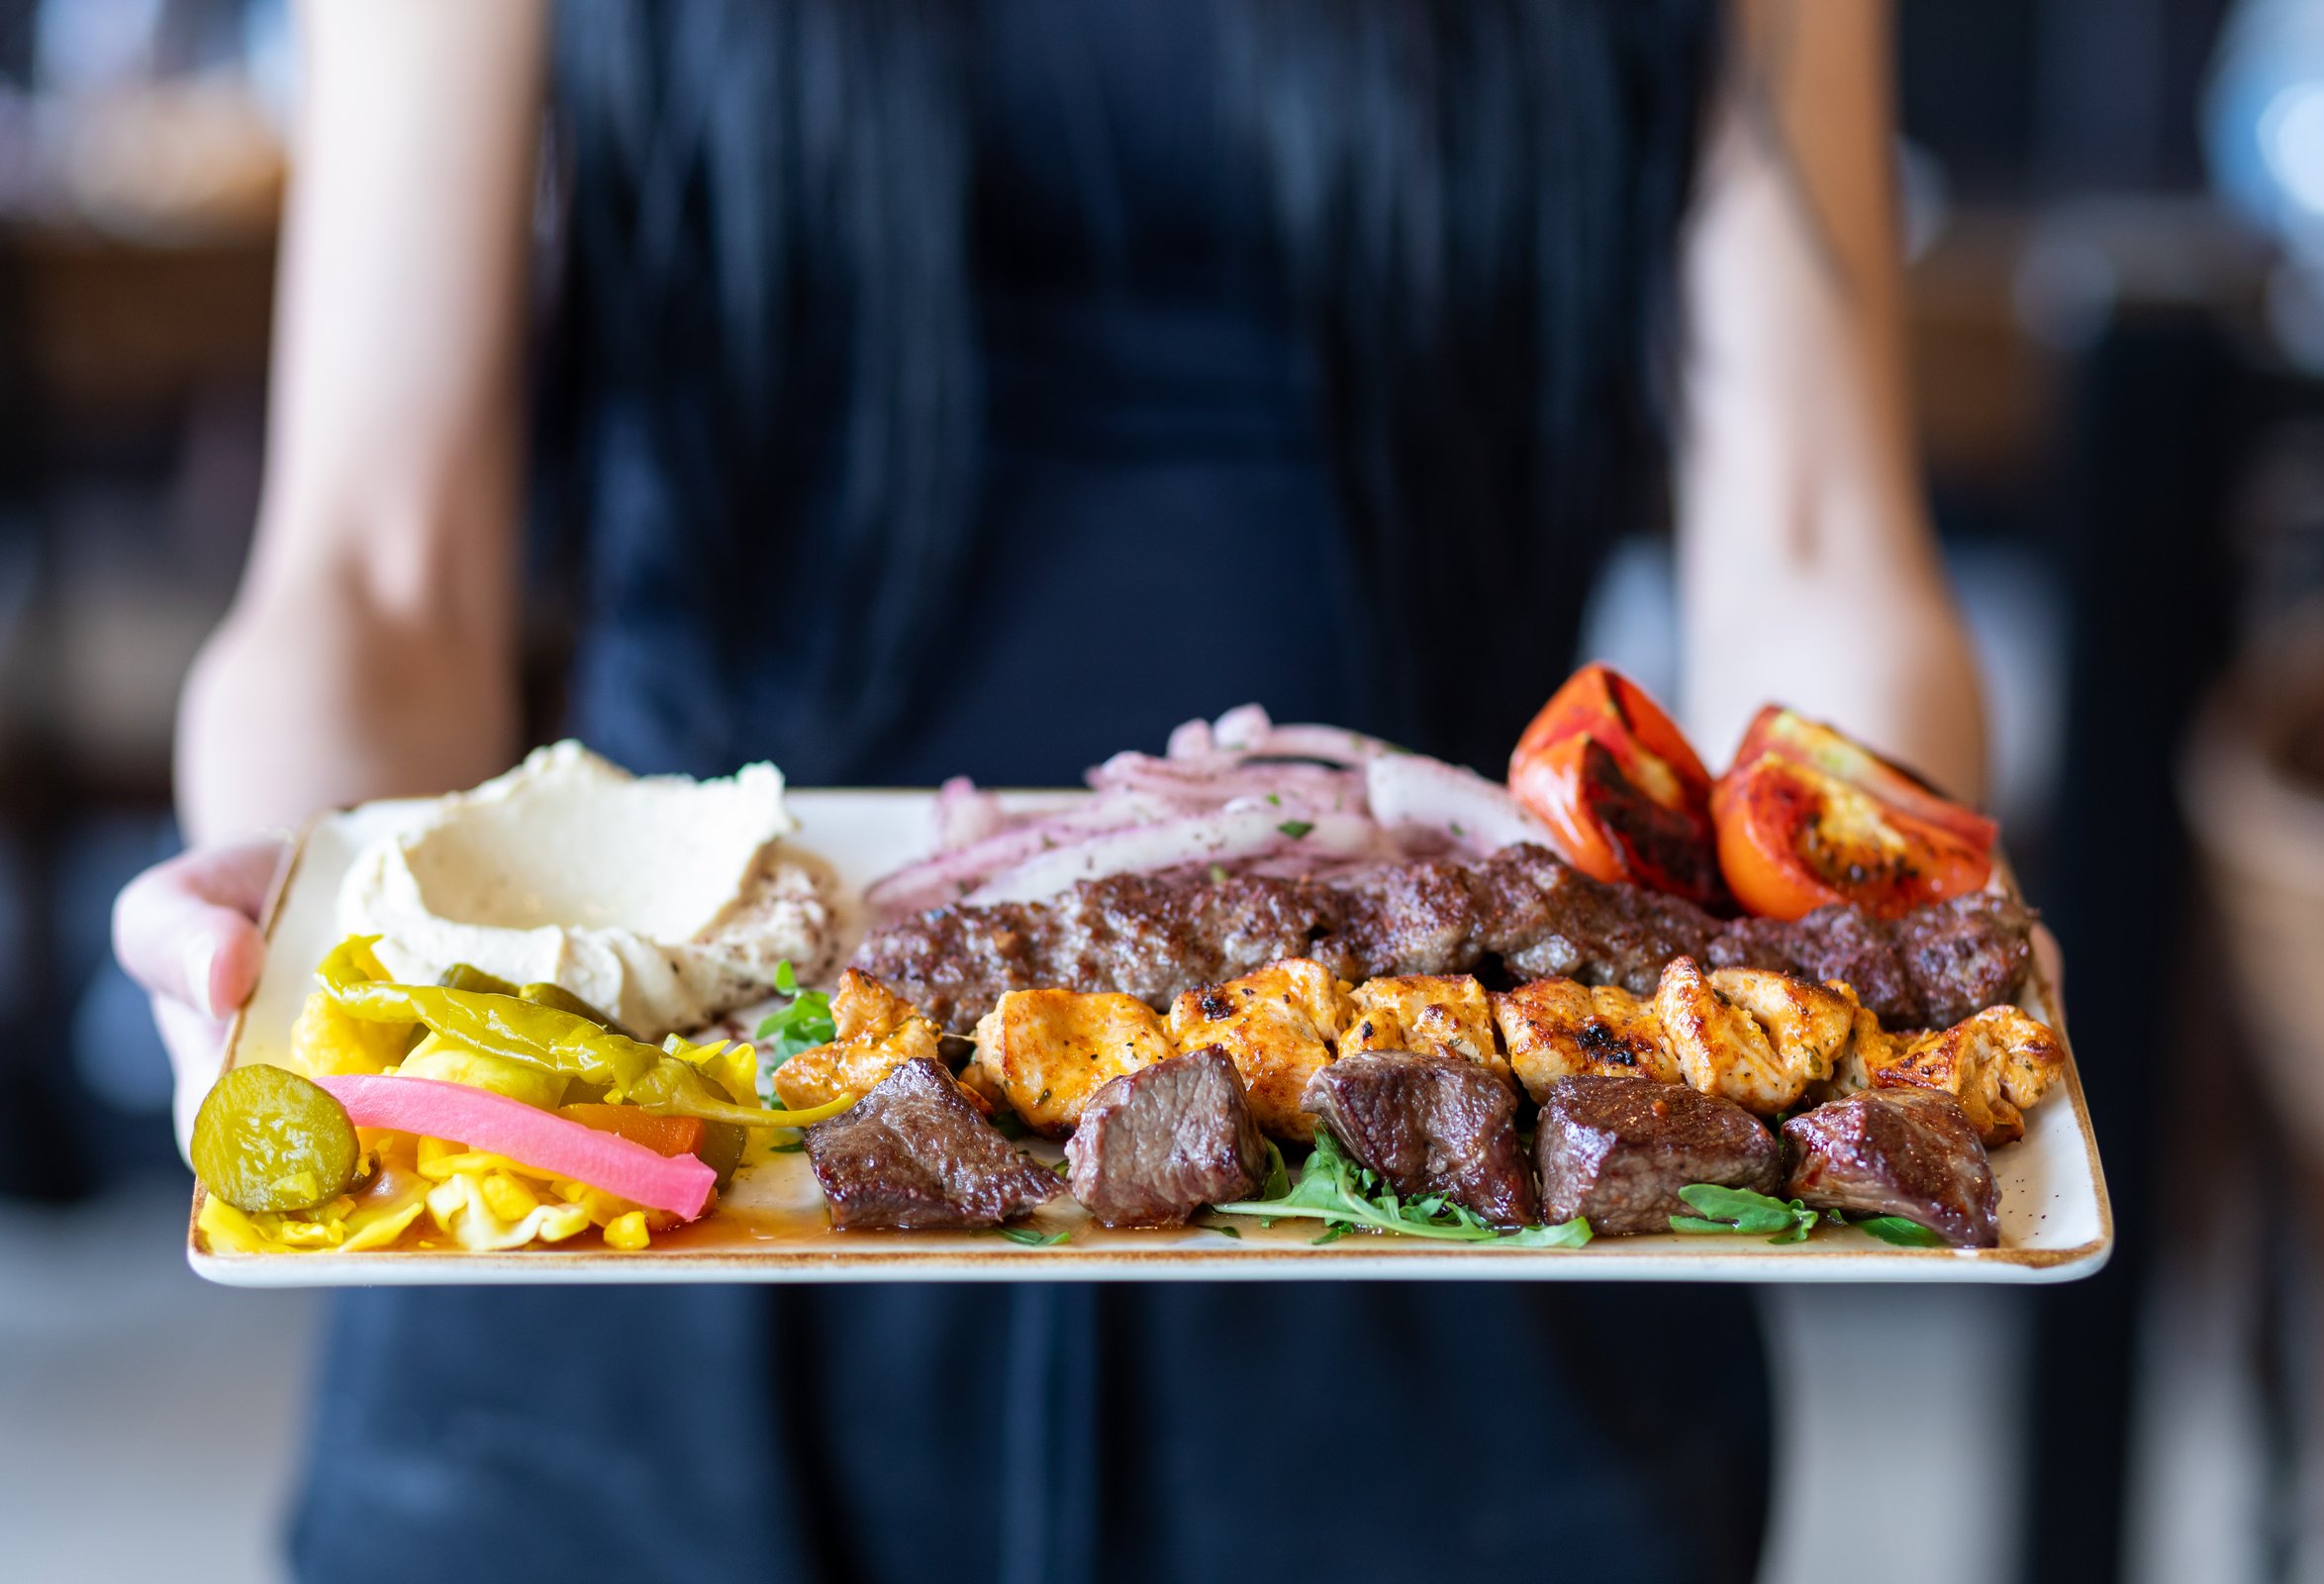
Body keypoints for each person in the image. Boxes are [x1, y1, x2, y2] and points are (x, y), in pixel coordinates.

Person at [114, 2, 1986, 1580]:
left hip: (1465, 1242)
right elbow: (372, 574)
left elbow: (1816, 548)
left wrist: (1889, 931)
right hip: (664, 1227)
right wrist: (300, 930)